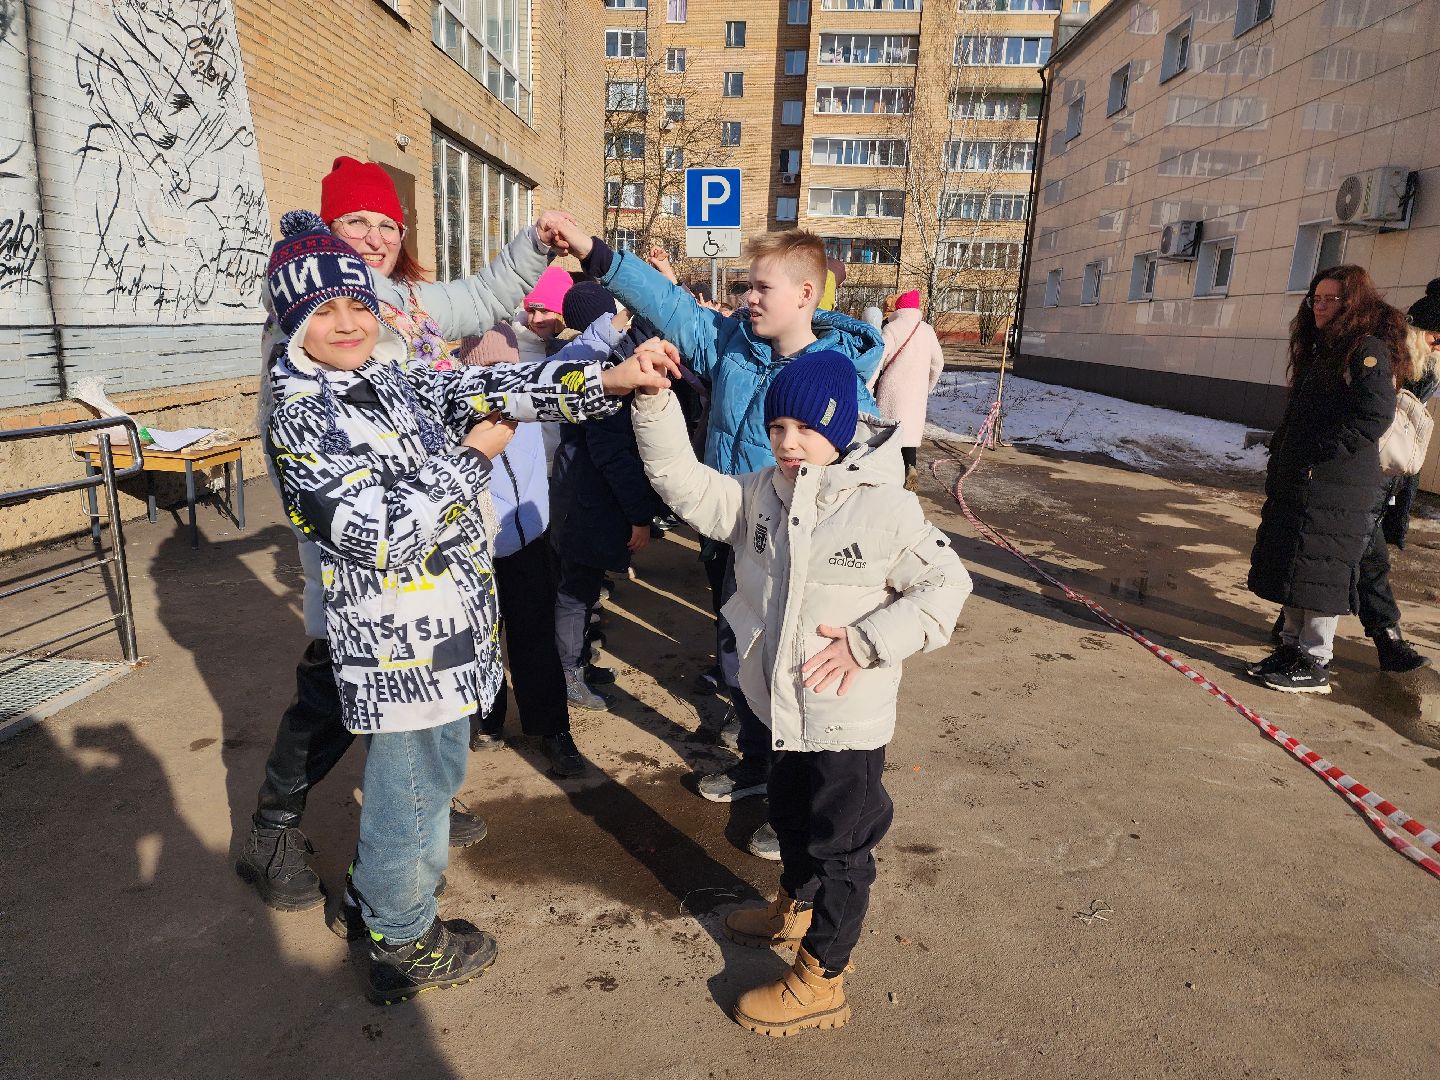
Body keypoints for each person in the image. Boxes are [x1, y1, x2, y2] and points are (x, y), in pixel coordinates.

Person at [262, 212, 676, 1003]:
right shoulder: (301, 413)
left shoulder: (382, 376)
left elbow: (486, 383)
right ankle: (400, 936)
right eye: (324, 313)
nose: (348, 323)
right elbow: (372, 535)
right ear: (291, 322)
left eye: (357, 305)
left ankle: (373, 899)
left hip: (447, 629)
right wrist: (471, 459)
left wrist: (609, 380)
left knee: (438, 770)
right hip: (396, 647)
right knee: (410, 791)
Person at [238, 154, 573, 913]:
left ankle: (417, 805)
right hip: (363, 541)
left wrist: (537, 245)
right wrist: (465, 456)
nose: (377, 236)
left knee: (424, 690)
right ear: (329, 230)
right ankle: (276, 828)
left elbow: (485, 297)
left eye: (388, 223)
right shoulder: (307, 317)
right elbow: (317, 465)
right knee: (334, 681)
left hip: (434, 522)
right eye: (358, 222)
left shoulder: (406, 304)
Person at [629, 344, 970, 1036]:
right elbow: (683, 482)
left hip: (845, 723)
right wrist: (653, 403)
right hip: (777, 708)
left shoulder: (887, 510)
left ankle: (823, 977)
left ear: (842, 429)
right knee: (787, 815)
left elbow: (947, 587)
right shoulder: (761, 493)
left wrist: (868, 641)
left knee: (841, 844)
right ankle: (796, 905)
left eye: (807, 429)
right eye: (779, 427)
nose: (788, 442)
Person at [548, 224, 885, 861]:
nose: (748, 298)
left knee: (788, 669)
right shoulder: (733, 344)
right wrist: (597, 256)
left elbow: (866, 466)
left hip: (793, 548)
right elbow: (672, 307)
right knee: (742, 654)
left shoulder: (834, 374)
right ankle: (759, 766)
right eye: (744, 286)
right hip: (729, 528)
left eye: (762, 288)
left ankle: (802, 814)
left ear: (806, 294)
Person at [455, 308, 632, 775]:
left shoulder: (530, 394)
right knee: (480, 639)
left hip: (530, 539)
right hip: (474, 549)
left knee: (536, 638)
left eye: (507, 371)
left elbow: (577, 359)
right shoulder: (454, 410)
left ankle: (552, 730)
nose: (501, 381)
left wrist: (616, 321)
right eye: (488, 372)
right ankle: (489, 721)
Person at [1246, 266, 1409, 694]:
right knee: (1297, 566)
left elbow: (1374, 413)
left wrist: (1324, 454)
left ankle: (1315, 660)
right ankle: (1290, 649)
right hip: (1307, 479)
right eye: (1316, 299)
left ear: (1352, 303)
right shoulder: (1325, 349)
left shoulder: (1365, 349)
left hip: (1337, 484)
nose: (1320, 307)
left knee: (1321, 570)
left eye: (1331, 299)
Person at [549, 282, 668, 710]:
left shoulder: (594, 359)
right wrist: (639, 516)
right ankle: (566, 675)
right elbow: (613, 454)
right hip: (588, 501)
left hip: (579, 494)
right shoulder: (604, 373)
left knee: (581, 586)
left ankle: (576, 660)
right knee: (575, 591)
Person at [1354, 284, 1440, 671]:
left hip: (1382, 481)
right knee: (1368, 560)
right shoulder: (1391, 361)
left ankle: (1290, 623)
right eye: (1437, 336)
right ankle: (1389, 641)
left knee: (1345, 556)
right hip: (1360, 476)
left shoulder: (1422, 368)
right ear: (1421, 331)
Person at [873, 290, 946, 491]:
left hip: (891, 388)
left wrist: (869, 384)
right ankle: (910, 467)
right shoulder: (927, 330)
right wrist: (928, 386)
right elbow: (938, 363)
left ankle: (888, 472)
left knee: (889, 430)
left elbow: (878, 360)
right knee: (910, 434)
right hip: (917, 392)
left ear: (899, 309)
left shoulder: (891, 328)